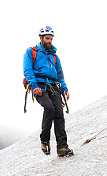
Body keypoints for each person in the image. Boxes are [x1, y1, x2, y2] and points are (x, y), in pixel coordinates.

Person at [23, 26, 73, 157]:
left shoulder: (54, 56)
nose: (50, 41)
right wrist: (34, 85)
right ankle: (44, 139)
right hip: (39, 85)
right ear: (41, 38)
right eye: (47, 38)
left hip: (53, 86)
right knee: (49, 107)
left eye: (51, 38)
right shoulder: (31, 52)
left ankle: (62, 147)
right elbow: (27, 70)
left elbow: (60, 74)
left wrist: (65, 88)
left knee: (59, 114)